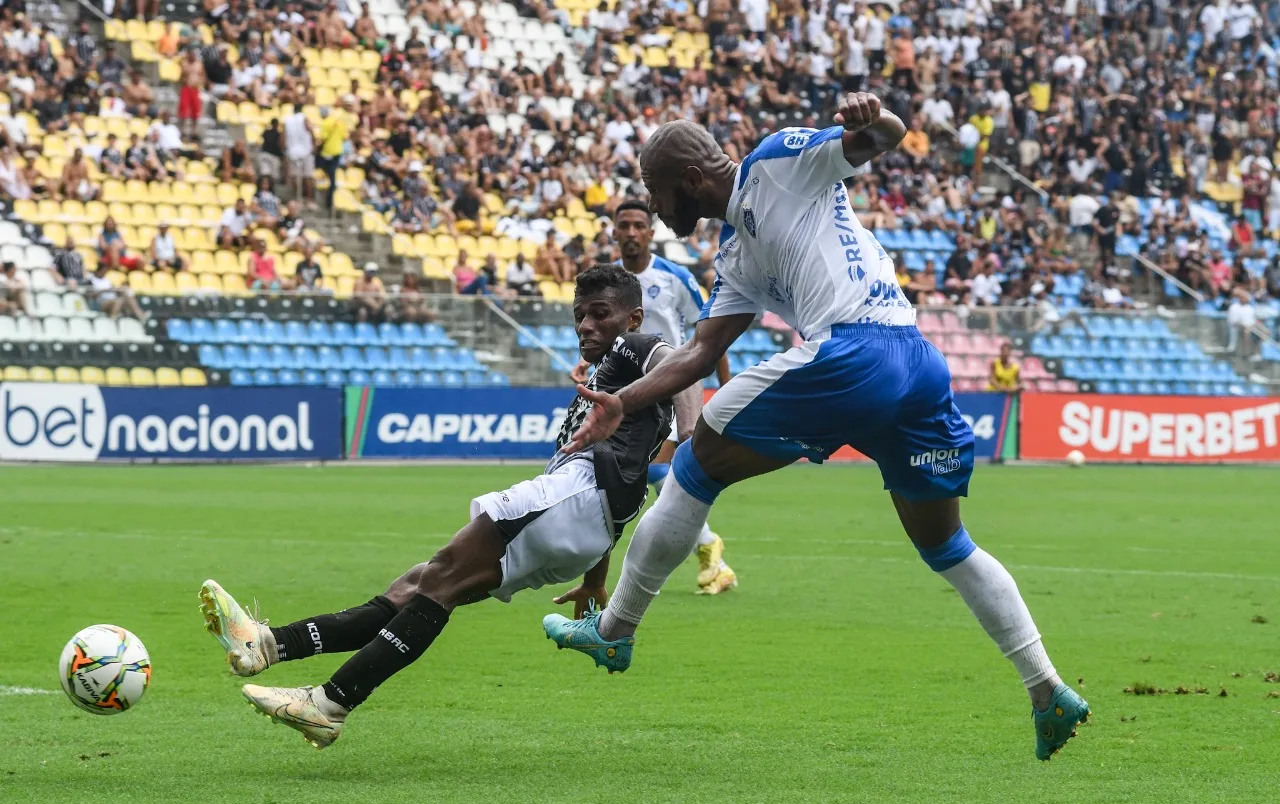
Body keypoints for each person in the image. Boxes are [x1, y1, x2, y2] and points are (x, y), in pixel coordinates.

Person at [542, 95, 1090, 762]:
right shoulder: (738, 252)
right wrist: (622, 401)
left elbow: (883, 136)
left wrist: (875, 114)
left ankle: (616, 628)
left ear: (689, 178)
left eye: (655, 194)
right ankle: (1047, 689)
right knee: (946, 545)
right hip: (918, 366)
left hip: (856, 353)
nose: (653, 211)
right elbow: (696, 353)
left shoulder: (777, 162)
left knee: (694, 465)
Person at [197, 265, 695, 749]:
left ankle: (329, 703)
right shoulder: (611, 375)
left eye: (600, 313)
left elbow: (686, 368)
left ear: (632, 318)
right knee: (416, 587)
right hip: (586, 520)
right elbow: (614, 487)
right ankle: (269, 645)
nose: (586, 325)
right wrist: (592, 577)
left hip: (574, 500)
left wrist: (690, 435)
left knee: (436, 582)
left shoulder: (638, 345)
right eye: (580, 313)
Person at [570, 199, 736, 593]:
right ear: (613, 231)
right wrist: (586, 366)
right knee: (642, 474)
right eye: (622, 225)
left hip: (670, 390)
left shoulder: (675, 277)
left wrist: (724, 391)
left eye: (637, 225)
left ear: (649, 232)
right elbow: (598, 332)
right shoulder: (605, 282)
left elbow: (710, 332)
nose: (630, 232)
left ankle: (708, 549)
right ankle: (709, 550)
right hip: (619, 392)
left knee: (653, 471)